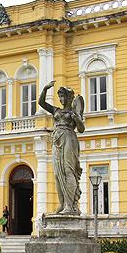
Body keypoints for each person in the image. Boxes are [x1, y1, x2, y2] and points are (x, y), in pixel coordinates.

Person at [38, 80, 85, 215]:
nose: (62, 99)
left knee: (68, 171)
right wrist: (45, 89)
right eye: (60, 97)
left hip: (69, 138)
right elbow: (41, 103)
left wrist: (76, 118)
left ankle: (70, 206)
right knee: (57, 174)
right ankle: (62, 204)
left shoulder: (73, 112)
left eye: (64, 96)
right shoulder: (56, 110)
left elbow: (81, 129)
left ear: (70, 98)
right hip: (56, 139)